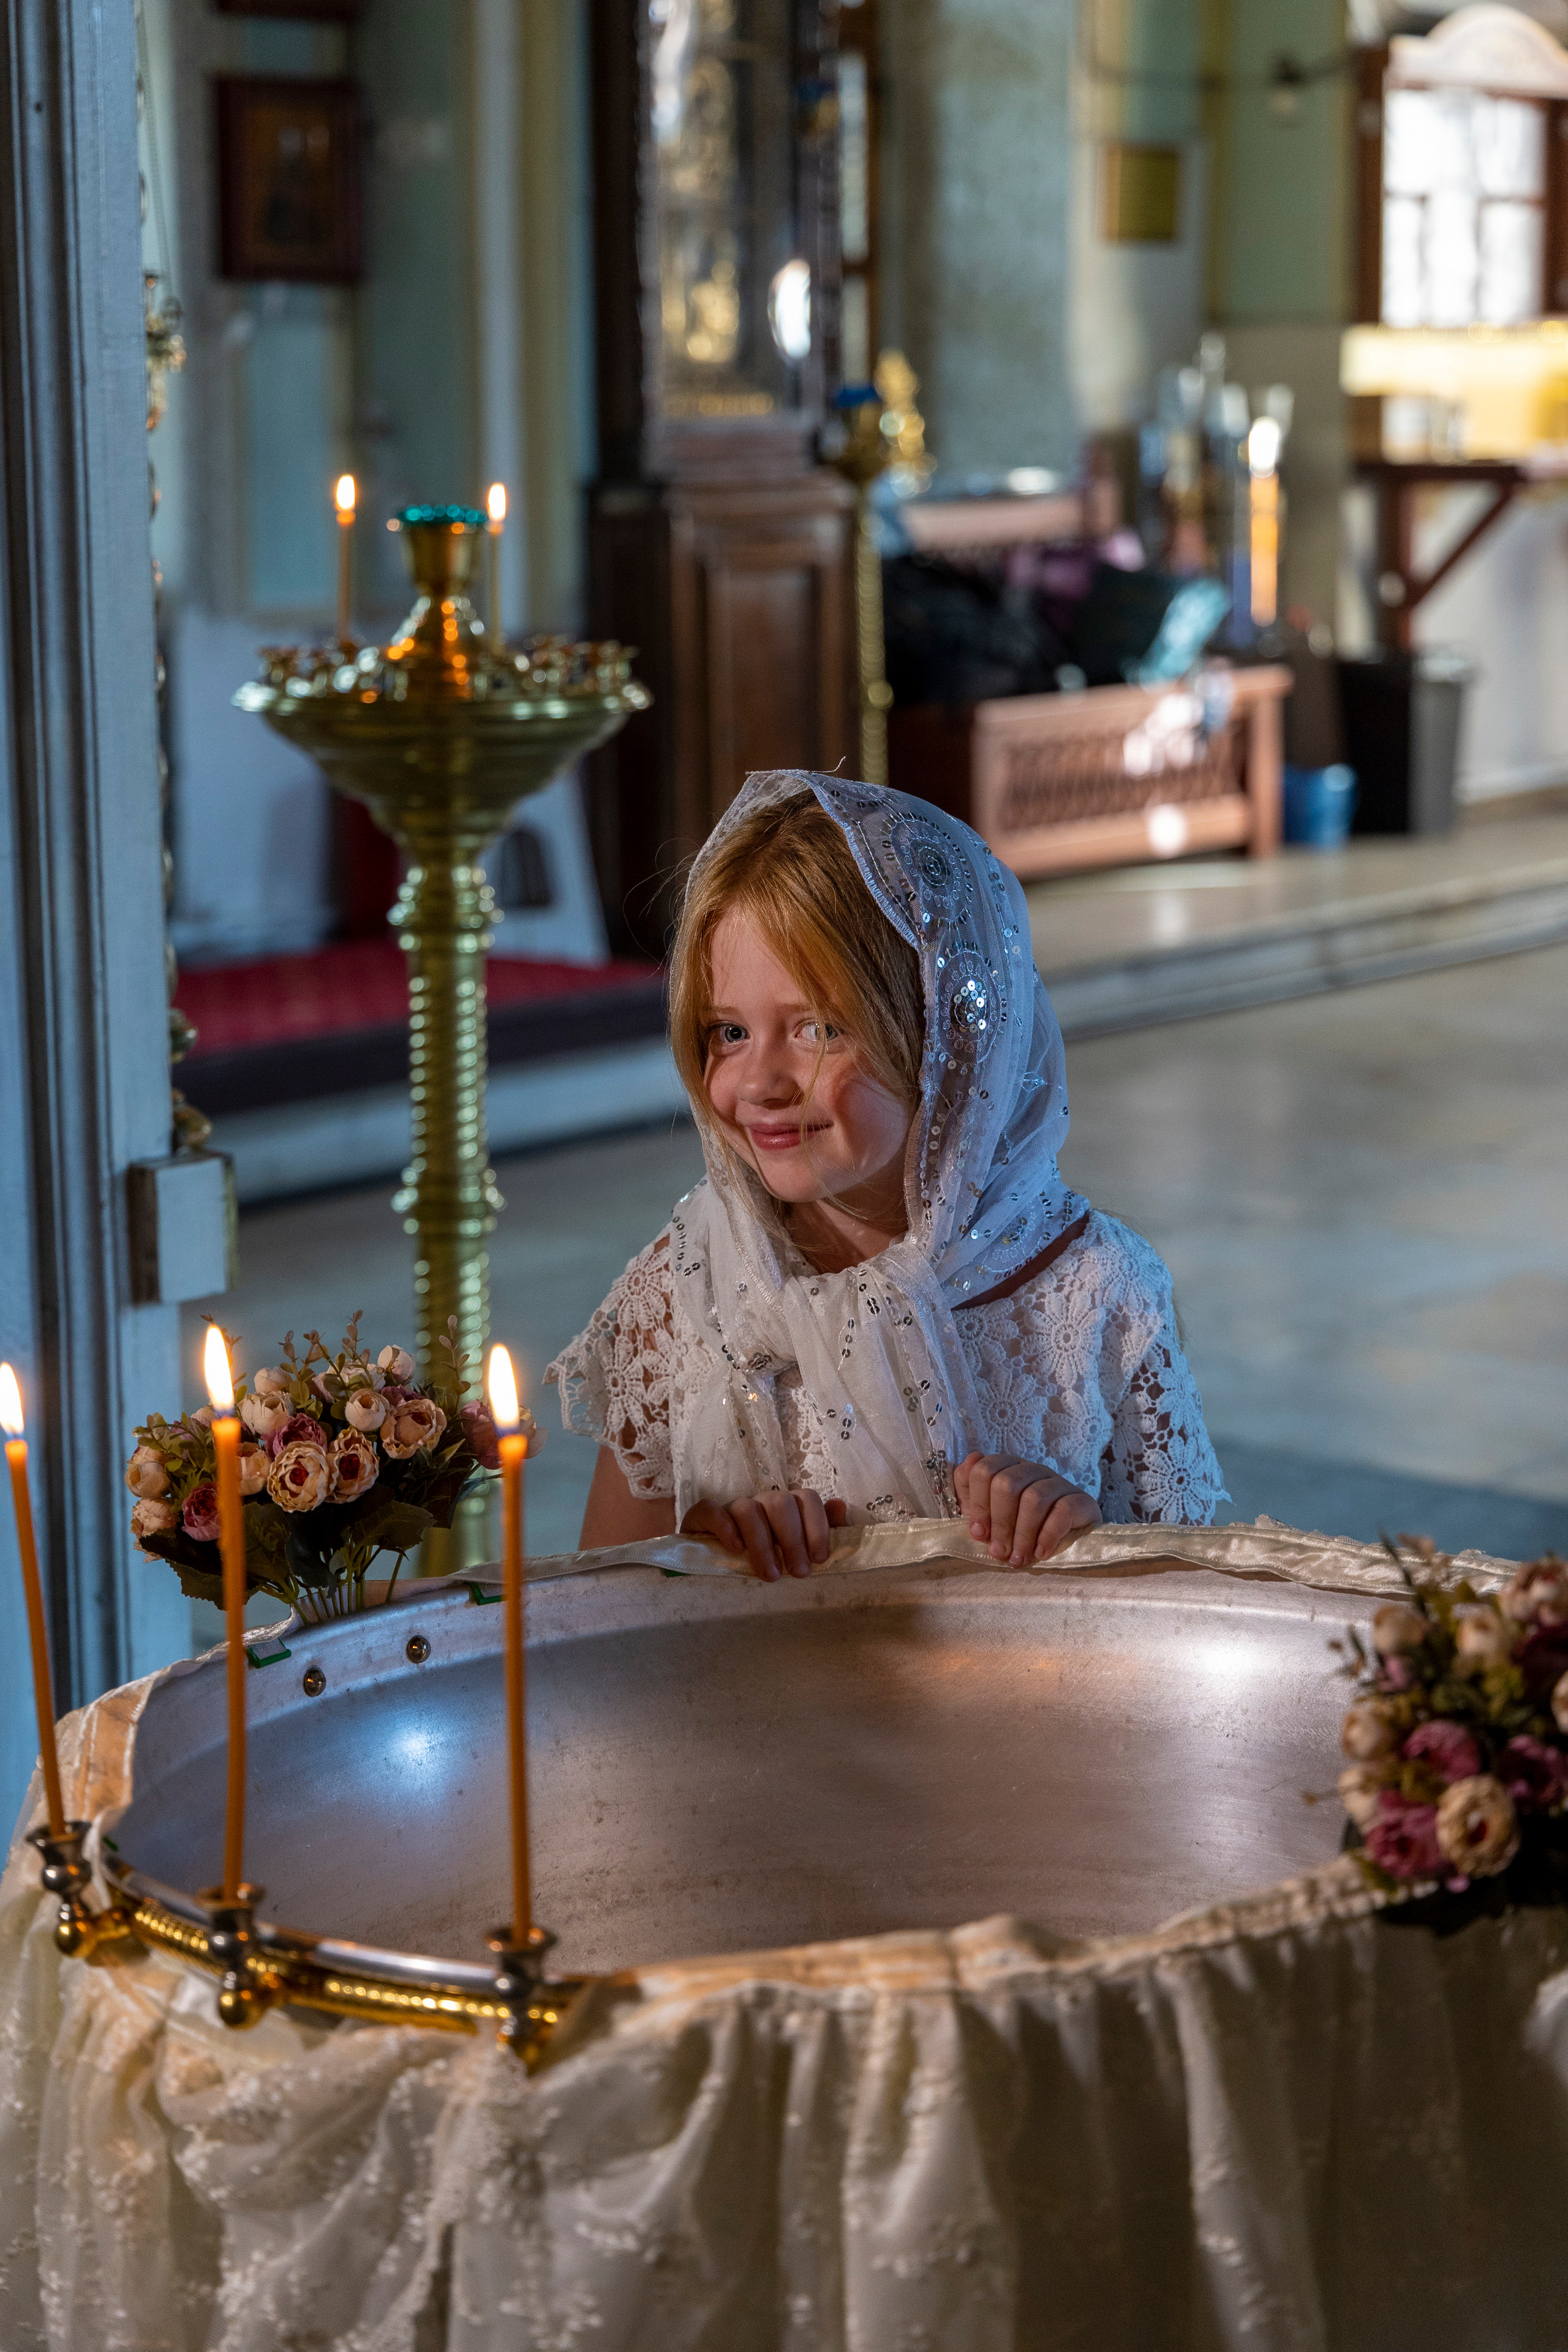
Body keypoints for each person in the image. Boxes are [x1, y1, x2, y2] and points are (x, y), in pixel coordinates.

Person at [547, 771, 1226, 1580]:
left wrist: (1084, 1538)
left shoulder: (1094, 1291)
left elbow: (1188, 1603)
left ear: (944, 1036)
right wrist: (709, 1558)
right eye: (728, 1030)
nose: (757, 1082)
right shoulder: (681, 1293)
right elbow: (600, 1614)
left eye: (817, 1028)